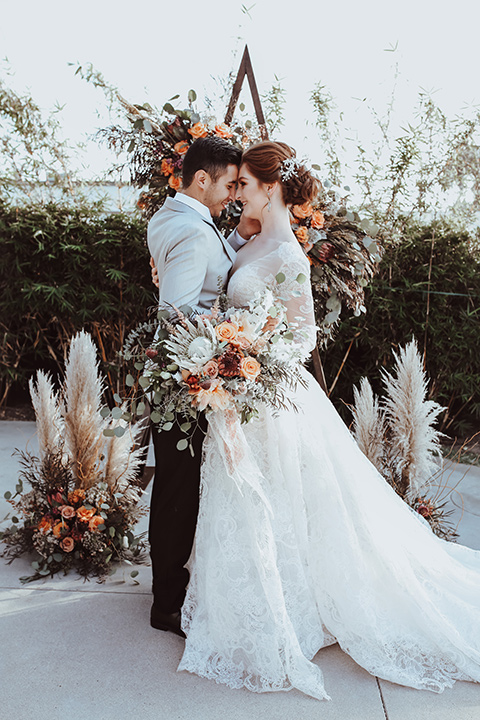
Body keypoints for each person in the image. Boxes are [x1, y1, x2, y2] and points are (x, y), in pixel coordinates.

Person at [171, 141, 480, 700]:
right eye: (232, 184)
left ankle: (291, 604)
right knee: (247, 502)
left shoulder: (287, 254)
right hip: (238, 390)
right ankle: (240, 599)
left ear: (270, 188)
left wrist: (251, 359)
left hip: (267, 395)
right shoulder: (252, 240)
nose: (236, 192)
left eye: (243, 184)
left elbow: (303, 335)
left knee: (280, 501)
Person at [147, 136, 259, 638]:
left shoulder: (175, 217)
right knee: (179, 492)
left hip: (180, 379)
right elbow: (175, 314)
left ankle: (168, 587)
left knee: (176, 486)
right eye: (229, 184)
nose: (233, 194)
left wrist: (238, 237)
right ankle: (167, 603)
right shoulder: (193, 232)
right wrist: (226, 342)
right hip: (184, 382)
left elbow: (203, 266)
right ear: (201, 179)